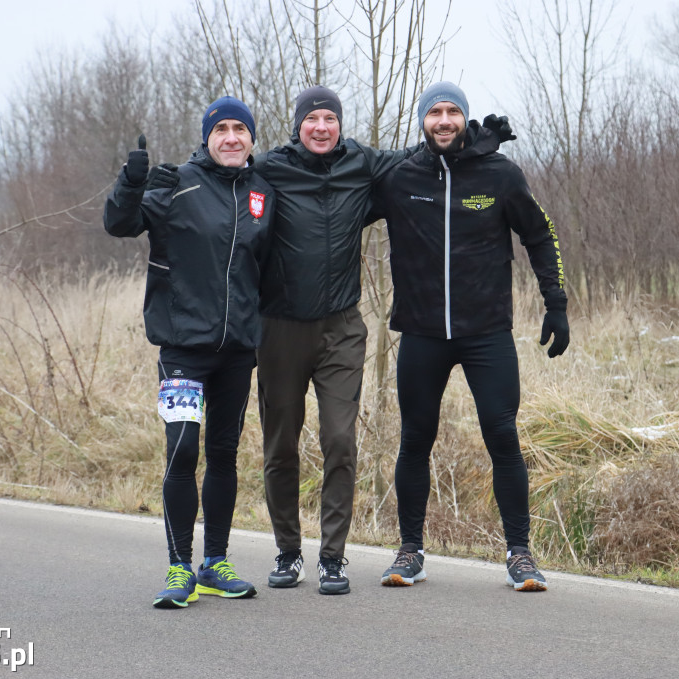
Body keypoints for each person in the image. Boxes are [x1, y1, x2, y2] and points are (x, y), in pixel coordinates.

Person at [148, 86, 515, 596]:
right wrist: (182, 169)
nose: (321, 127)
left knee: (340, 440)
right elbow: (222, 172)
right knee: (281, 445)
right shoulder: (270, 169)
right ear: (297, 126)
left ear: (340, 126)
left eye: (330, 119)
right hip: (278, 328)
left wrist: (473, 146)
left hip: (341, 328)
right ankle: (288, 551)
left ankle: (333, 557)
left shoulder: (363, 164)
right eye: (311, 119)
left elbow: (422, 157)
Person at [373, 82, 569, 592]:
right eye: (434, 112)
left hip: (486, 333)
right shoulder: (398, 177)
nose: (443, 120)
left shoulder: (500, 174)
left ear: (465, 117)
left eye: (452, 111)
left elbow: (540, 234)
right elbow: (333, 210)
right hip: (421, 332)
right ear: (422, 120)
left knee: (502, 435)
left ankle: (520, 554)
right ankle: (410, 550)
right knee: (415, 439)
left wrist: (557, 303)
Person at [103, 96, 275, 609]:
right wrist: (131, 181)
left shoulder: (263, 190)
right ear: (207, 138)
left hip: (238, 350)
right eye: (220, 129)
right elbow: (120, 223)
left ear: (250, 139)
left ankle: (214, 563)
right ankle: (179, 569)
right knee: (182, 450)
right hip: (183, 348)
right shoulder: (175, 183)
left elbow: (267, 266)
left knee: (224, 455)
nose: (230, 137)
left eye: (239, 130)